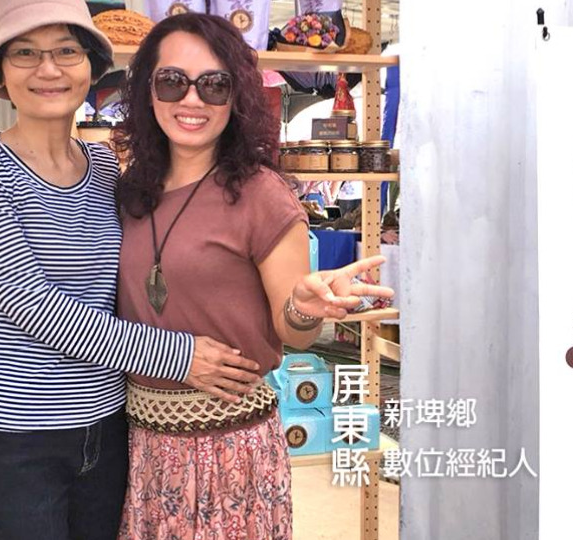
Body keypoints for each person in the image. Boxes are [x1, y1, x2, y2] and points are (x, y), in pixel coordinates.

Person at [0, 2, 260, 539]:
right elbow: (29, 304)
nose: (49, 69)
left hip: (111, 425)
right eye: (25, 54)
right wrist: (180, 355)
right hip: (17, 437)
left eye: (67, 50)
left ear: (91, 66)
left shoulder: (106, 166)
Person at [113, 13, 393, 539]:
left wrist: (303, 309)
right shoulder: (129, 191)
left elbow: (294, 331)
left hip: (230, 449)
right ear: (147, 89)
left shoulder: (261, 193)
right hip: (140, 443)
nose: (192, 100)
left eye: (214, 85)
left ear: (236, 96)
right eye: (172, 81)